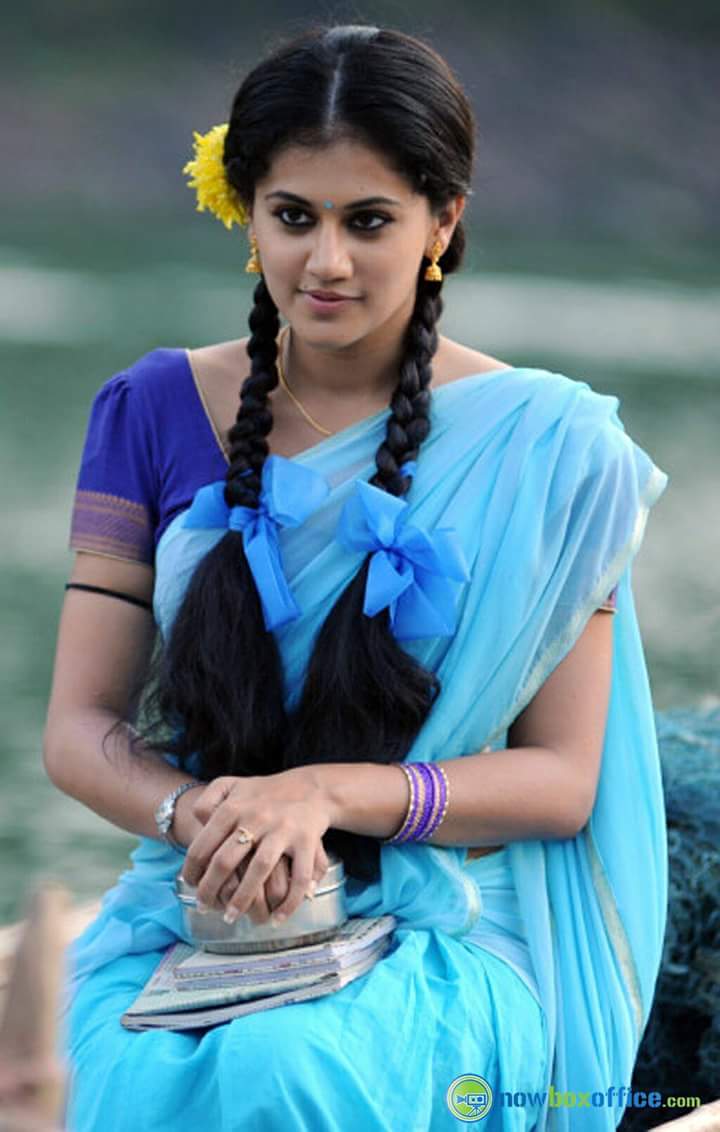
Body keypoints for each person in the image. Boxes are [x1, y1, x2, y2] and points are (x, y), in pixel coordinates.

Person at [42, 23, 669, 1132]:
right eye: (294, 216)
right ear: (249, 216)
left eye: (368, 220)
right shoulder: (153, 409)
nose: (325, 262)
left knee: (287, 1069)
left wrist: (325, 796)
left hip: (449, 921)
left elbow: (562, 780)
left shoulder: (550, 451)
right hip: (198, 910)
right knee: (129, 1077)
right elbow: (79, 728)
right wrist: (202, 818)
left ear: (444, 221)